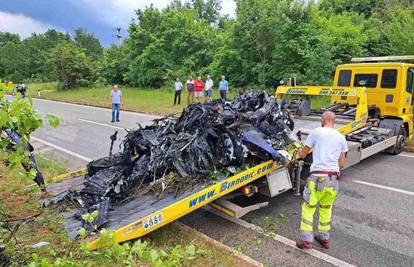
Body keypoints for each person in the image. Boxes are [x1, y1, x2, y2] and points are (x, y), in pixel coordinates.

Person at [296, 111, 348, 250]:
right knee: (326, 209)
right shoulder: (341, 137)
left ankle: (306, 241)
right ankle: (324, 238)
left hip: (317, 178)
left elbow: (304, 153)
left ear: (323, 120)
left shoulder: (316, 132)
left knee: (309, 208)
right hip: (333, 180)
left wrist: (298, 154)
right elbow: (342, 162)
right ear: (333, 121)